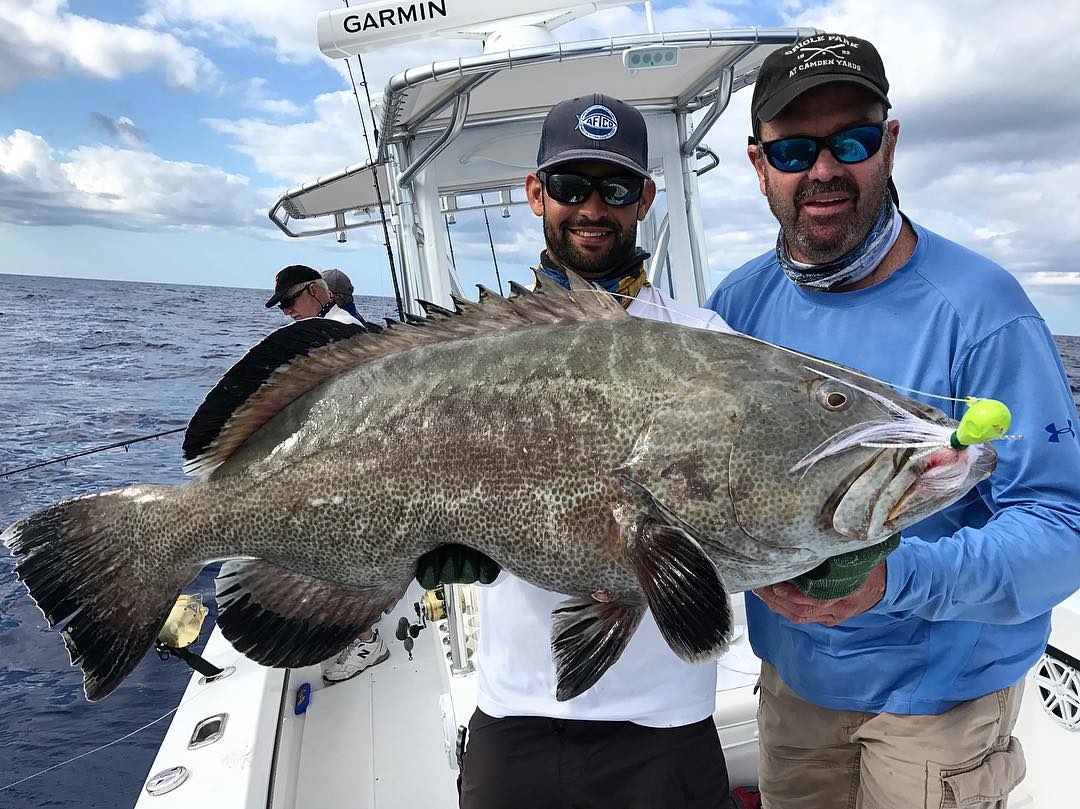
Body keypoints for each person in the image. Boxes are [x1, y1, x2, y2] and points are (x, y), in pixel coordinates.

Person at [706, 32, 1080, 809]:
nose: (824, 170)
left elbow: (1061, 527)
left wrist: (891, 580)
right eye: (793, 150)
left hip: (937, 705)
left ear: (891, 142)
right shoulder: (733, 312)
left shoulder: (984, 310)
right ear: (757, 162)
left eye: (853, 139)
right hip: (794, 692)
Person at [456, 94, 733, 809]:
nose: (591, 208)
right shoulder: (474, 349)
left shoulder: (704, 339)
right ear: (535, 192)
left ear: (643, 197)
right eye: (570, 186)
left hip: (664, 721)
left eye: (613, 188)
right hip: (513, 709)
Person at [264, 263, 389, 682]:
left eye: (290, 300)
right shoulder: (341, 327)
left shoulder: (341, 335)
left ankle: (366, 639)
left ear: (317, 292)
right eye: (281, 305)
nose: (286, 311)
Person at [264, 264, 364, 326]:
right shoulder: (323, 325)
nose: (286, 312)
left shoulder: (343, 326)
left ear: (313, 290)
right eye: (282, 306)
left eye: (288, 302)